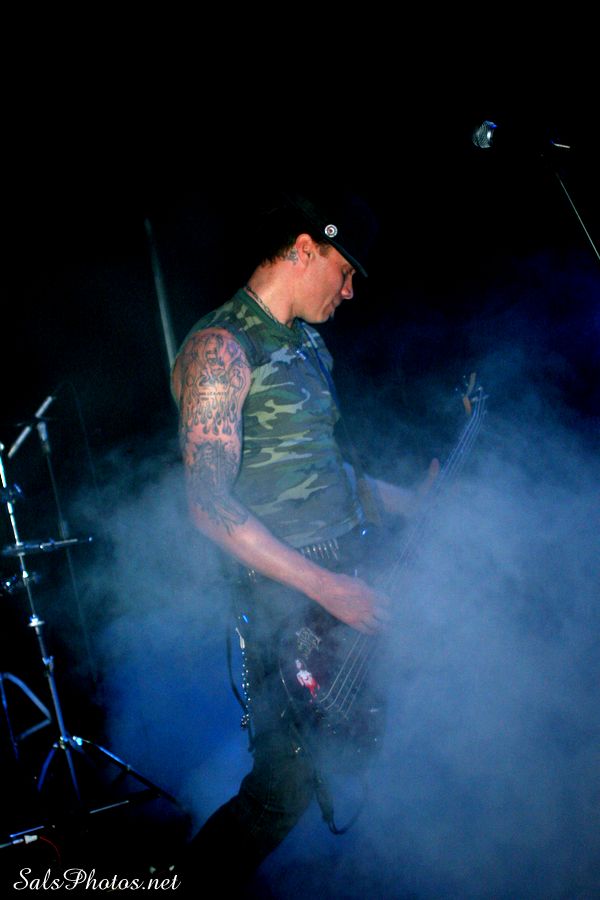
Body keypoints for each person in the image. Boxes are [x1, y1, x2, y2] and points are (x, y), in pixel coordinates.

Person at [170, 189, 433, 889]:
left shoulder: (310, 345)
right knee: (279, 793)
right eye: (345, 271)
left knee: (364, 744)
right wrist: (325, 587)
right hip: (286, 599)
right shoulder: (222, 347)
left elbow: (325, 471)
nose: (350, 291)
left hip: (345, 578)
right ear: (304, 249)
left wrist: (414, 501)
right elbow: (208, 505)